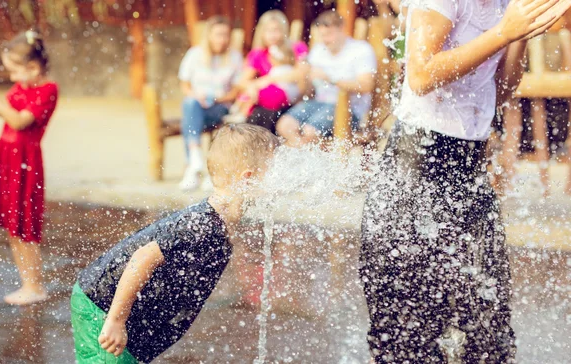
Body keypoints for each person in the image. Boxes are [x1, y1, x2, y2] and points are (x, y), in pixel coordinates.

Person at [359, 0, 567, 362]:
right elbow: (421, 76)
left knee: (489, 334)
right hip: (415, 173)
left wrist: (516, 36)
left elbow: (499, 91)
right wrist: (504, 32)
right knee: (409, 338)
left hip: (469, 173)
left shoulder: (503, 5)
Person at [70, 124, 278, 364]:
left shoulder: (219, 221)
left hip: (125, 315)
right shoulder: (203, 225)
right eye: (274, 169)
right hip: (103, 306)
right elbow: (142, 258)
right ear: (248, 179)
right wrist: (116, 321)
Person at [0, 30, 58, 306]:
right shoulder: (22, 88)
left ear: (33, 67)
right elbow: (6, 112)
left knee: (24, 224)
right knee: (12, 224)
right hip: (8, 157)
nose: (11, 78)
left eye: (14, 71)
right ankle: (27, 282)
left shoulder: (47, 91)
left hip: (25, 161)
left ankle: (35, 285)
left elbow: (20, 121)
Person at [276, 11, 377, 147]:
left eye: (329, 34)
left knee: (310, 131)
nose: (325, 40)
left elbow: (366, 85)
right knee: (284, 125)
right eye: (322, 35)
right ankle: (301, 152)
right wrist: (304, 77)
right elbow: (308, 91)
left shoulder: (361, 50)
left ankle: (300, 153)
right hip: (319, 103)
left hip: (348, 108)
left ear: (342, 29)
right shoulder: (318, 50)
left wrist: (330, 79)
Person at [178, 16, 243, 191]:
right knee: (190, 104)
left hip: (220, 106)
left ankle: (194, 165)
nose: (222, 39)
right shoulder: (195, 54)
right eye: (218, 34)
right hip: (197, 104)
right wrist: (196, 96)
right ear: (209, 35)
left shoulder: (235, 58)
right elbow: (184, 83)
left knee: (189, 115)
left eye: (226, 34)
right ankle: (196, 161)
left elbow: (236, 91)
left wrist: (216, 99)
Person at [238, 10, 309, 134]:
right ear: (262, 32)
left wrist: (270, 79)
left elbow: (301, 73)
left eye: (276, 30)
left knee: (265, 115)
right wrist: (252, 87)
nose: (273, 35)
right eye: (268, 31)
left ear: (284, 30)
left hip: (292, 102)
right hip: (265, 104)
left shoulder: (296, 48)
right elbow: (242, 81)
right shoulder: (258, 54)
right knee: (260, 115)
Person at [232, 44, 299, 118]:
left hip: (281, 96)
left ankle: (241, 111)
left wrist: (254, 86)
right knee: (253, 92)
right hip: (287, 97)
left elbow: (266, 81)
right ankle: (241, 110)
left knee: (254, 94)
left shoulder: (277, 70)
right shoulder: (289, 69)